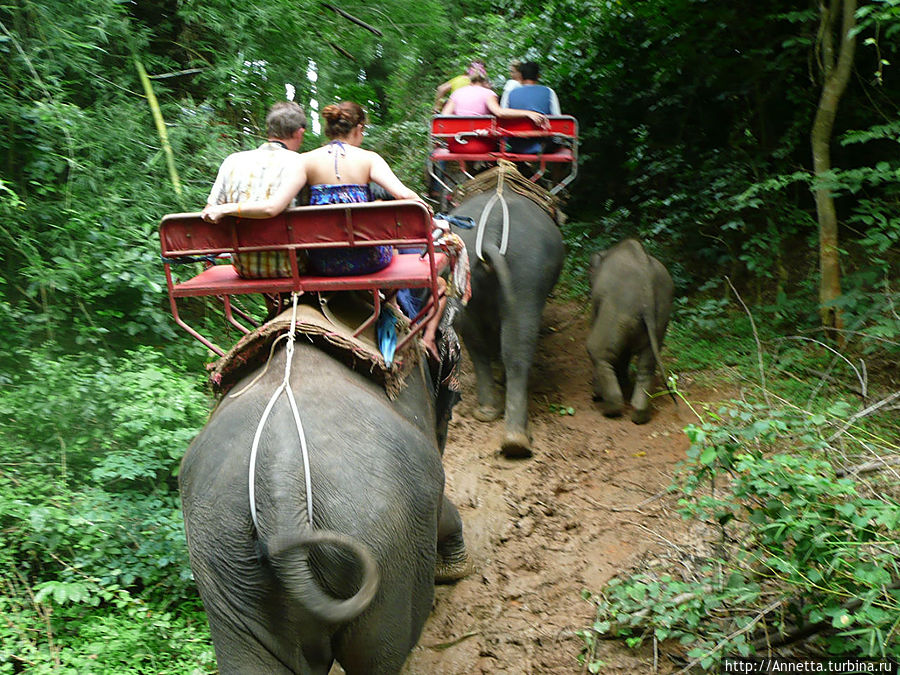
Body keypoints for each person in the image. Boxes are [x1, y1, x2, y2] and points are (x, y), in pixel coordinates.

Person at [201, 101, 308, 278]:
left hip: (244, 268)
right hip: (291, 267)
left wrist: (227, 209)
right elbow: (278, 210)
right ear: (299, 133)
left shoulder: (233, 161)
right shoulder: (300, 162)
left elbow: (209, 211)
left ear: (269, 130)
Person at [441, 69, 547, 126]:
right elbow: (500, 112)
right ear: (484, 82)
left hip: (457, 144)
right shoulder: (488, 93)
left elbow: (444, 116)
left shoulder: (457, 93)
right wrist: (528, 113)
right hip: (481, 144)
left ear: (470, 81)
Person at [505, 61, 561, 154]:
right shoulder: (549, 92)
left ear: (521, 76)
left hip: (516, 144)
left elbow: (503, 116)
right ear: (538, 76)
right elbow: (558, 119)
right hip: (542, 145)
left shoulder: (511, 93)